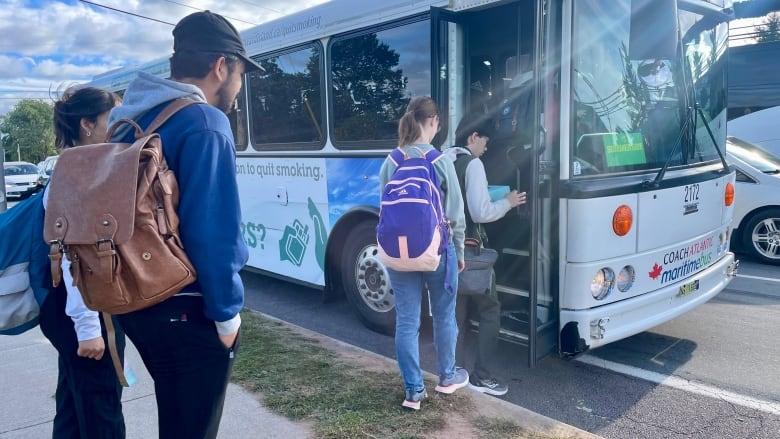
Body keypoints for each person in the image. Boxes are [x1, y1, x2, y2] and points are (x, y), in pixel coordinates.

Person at [105, 11, 259, 438]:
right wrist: (227, 317)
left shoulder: (130, 122)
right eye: (241, 74)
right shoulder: (205, 122)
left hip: (137, 298)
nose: (239, 87)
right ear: (221, 66)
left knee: (175, 419)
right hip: (186, 305)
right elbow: (214, 232)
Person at [41, 85, 126, 438]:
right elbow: (71, 257)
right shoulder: (78, 177)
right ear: (88, 124)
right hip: (87, 310)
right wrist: (89, 329)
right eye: (113, 119)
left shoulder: (74, 169)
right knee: (101, 413)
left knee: (74, 410)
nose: (120, 127)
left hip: (75, 310)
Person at [378, 96, 468, 411]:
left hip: (398, 254)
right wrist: (458, 251)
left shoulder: (391, 161)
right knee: (443, 315)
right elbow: (455, 214)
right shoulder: (440, 161)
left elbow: (384, 210)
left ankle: (413, 392)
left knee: (406, 321)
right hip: (436, 252)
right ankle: (446, 378)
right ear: (433, 122)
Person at [444, 113, 526, 397]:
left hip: (446, 249)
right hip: (471, 251)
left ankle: (451, 371)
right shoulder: (473, 164)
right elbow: (480, 212)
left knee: (456, 311)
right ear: (472, 138)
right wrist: (507, 202)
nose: (486, 148)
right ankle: (482, 376)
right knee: (490, 309)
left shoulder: (444, 160)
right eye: (485, 141)